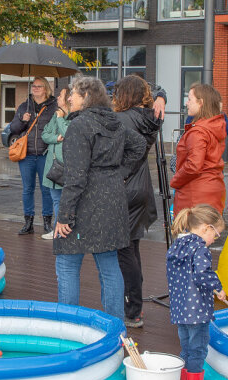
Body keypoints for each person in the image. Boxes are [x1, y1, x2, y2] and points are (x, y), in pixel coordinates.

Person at [52, 76, 146, 319]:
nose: (69, 98)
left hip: (86, 203)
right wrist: (118, 173)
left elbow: (76, 177)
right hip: (113, 200)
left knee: (67, 263)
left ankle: (68, 325)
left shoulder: (79, 126)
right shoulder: (114, 121)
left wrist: (64, 216)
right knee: (109, 264)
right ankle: (116, 327)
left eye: (73, 93)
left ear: (86, 98)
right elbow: (139, 145)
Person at [111, 75, 161, 328]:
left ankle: (132, 309)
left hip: (124, 187)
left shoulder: (121, 120)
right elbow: (158, 88)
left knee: (124, 251)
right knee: (133, 248)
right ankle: (134, 305)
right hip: (141, 187)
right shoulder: (151, 117)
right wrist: (160, 96)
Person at [166, 204, 225, 380]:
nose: (214, 240)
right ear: (206, 228)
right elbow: (202, 274)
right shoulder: (199, 249)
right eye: (215, 235)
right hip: (197, 310)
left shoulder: (177, 245)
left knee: (186, 348)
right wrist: (217, 286)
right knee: (198, 349)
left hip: (180, 309)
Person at [9, 77, 58, 235]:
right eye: (33, 86)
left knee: (46, 189)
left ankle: (47, 222)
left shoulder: (53, 107)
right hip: (27, 155)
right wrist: (23, 121)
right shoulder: (25, 106)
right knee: (27, 189)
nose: (35, 88)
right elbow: (14, 128)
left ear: (46, 89)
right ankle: (28, 222)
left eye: (39, 86)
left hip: (45, 154)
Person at [170, 83, 226, 216]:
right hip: (213, 188)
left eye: (189, 99)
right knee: (207, 233)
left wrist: (176, 180)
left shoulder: (198, 132)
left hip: (195, 193)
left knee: (190, 234)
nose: (187, 103)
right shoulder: (214, 126)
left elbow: (194, 165)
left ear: (201, 102)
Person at [41, 87, 71, 241]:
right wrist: (56, 138)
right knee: (55, 199)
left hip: (63, 166)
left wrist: (60, 120)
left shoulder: (72, 117)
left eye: (61, 95)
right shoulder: (55, 114)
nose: (58, 97)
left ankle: (60, 230)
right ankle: (56, 230)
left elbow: (68, 134)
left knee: (63, 200)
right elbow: (45, 134)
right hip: (51, 165)